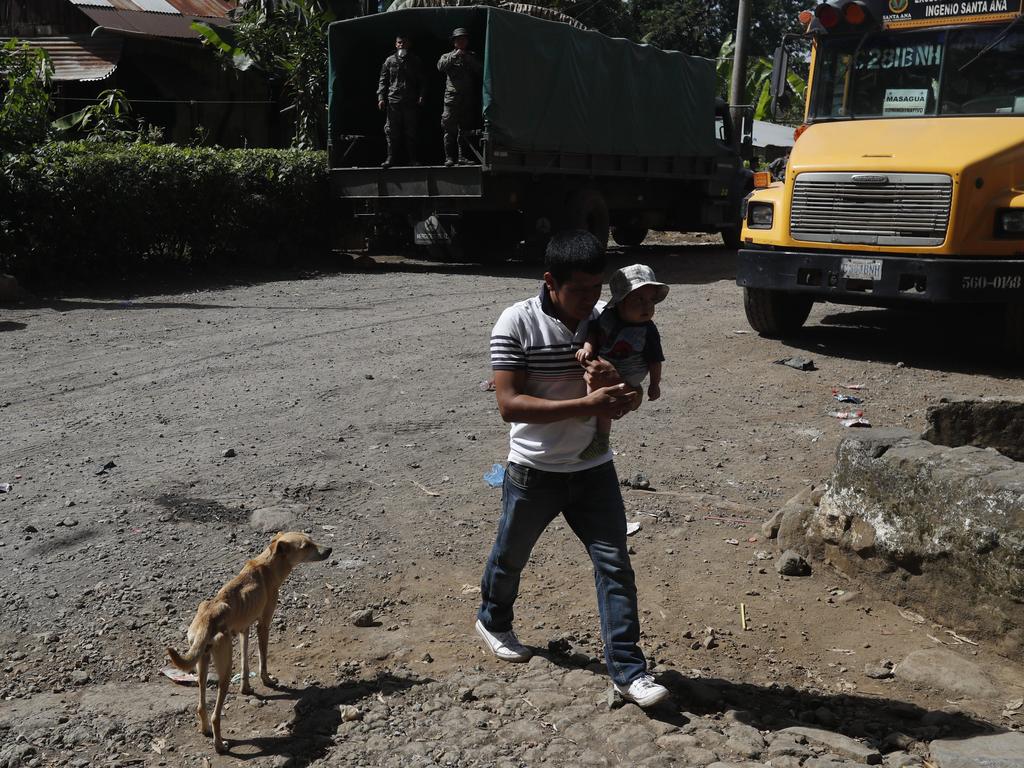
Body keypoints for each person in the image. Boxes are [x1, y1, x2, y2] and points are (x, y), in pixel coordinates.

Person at [476, 230, 671, 709]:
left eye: (596, 289)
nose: (590, 300)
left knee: (615, 567)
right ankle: (493, 620)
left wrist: (628, 398)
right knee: (510, 557)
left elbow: (633, 389)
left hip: (594, 470)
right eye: (579, 291)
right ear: (550, 282)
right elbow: (508, 405)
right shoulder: (517, 322)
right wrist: (586, 401)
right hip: (534, 470)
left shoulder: (610, 322)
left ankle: (628, 671)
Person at [575, 264, 668, 460]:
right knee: (592, 382)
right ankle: (587, 410)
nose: (647, 306)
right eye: (639, 299)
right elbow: (593, 332)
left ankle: (602, 438)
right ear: (620, 302)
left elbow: (655, 360)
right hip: (602, 367)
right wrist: (587, 348)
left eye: (651, 300)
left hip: (629, 375)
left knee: (608, 402)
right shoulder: (608, 317)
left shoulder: (647, 331)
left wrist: (654, 384)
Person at [377, 35, 426, 168]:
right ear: (395, 44)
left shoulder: (415, 61)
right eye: (399, 43)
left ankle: (412, 159)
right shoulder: (389, 61)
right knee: (391, 131)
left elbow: (422, 80)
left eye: (404, 42)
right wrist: (381, 97)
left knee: (411, 131)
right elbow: (383, 80)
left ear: (409, 44)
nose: (401, 45)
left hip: (409, 101)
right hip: (393, 101)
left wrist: (422, 95)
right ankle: (390, 159)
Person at [436, 27, 482, 167]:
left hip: (466, 98)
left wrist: (467, 57)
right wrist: (455, 56)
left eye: (464, 39)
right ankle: (449, 157)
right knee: (449, 129)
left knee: (465, 129)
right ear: (454, 42)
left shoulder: (472, 56)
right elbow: (440, 67)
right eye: (458, 39)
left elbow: (480, 69)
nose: (461, 41)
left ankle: (462, 157)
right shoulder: (447, 56)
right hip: (451, 98)